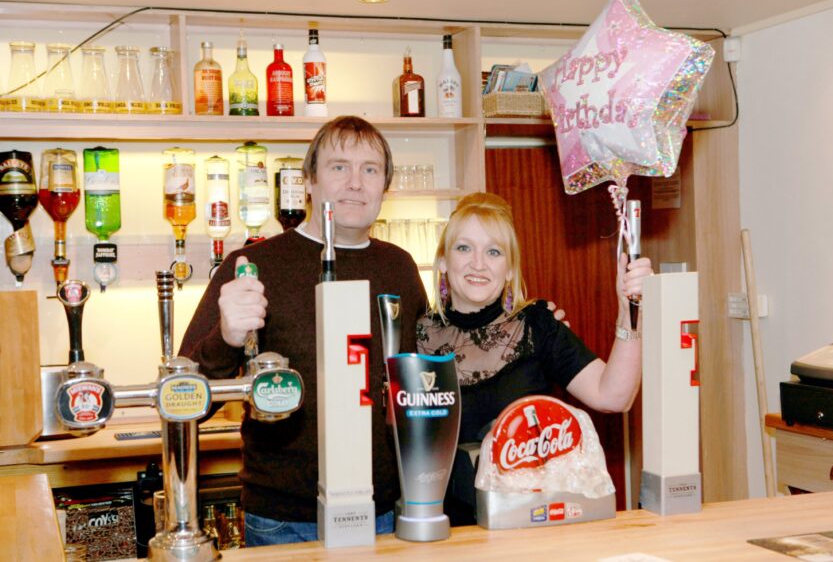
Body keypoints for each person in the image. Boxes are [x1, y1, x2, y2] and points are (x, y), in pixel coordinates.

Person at [179, 116, 428, 546]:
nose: (355, 182)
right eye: (338, 167)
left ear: (385, 186)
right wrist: (227, 338)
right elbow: (186, 399)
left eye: (370, 169)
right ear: (309, 180)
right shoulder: (252, 265)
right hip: (283, 519)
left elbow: (426, 376)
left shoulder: (400, 267)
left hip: (384, 510)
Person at [416, 192, 653, 522]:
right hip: (439, 532)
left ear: (510, 268)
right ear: (442, 260)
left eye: (494, 251)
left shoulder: (538, 325)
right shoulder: (415, 336)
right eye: (464, 248)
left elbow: (613, 396)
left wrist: (630, 311)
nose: (478, 263)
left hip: (525, 526)